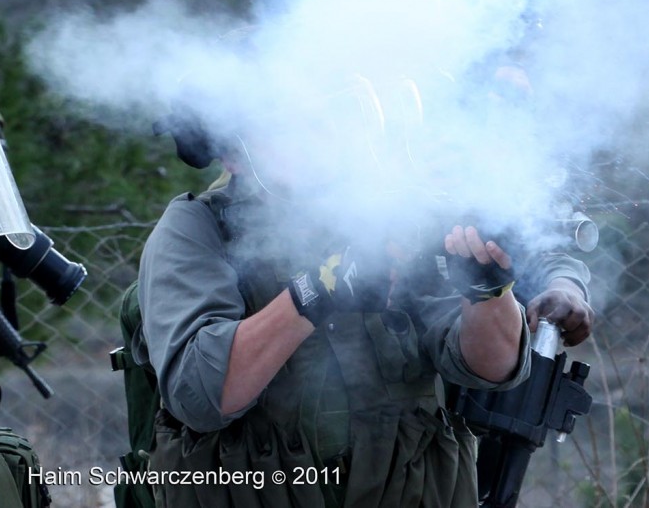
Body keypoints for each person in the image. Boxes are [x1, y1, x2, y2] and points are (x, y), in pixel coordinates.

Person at [133, 115, 593, 507]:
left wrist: (487, 292)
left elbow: (490, 368)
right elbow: (202, 394)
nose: (322, 137)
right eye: (288, 124)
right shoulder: (196, 229)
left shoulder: (389, 213)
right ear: (233, 155)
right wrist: (321, 290)